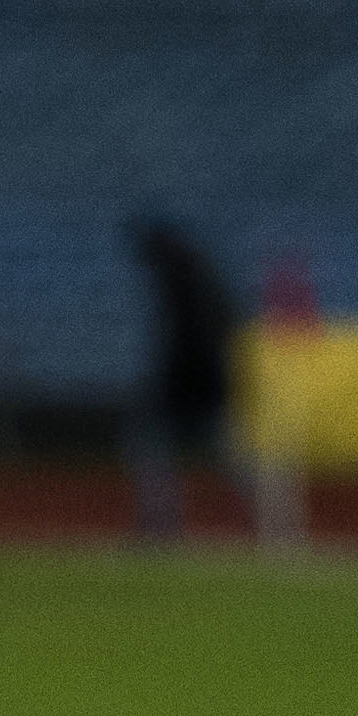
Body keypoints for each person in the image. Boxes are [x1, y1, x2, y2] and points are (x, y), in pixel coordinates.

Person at [121, 215, 230, 549]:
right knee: (223, 453)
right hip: (204, 383)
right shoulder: (199, 279)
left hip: (192, 384)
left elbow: (194, 341)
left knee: (153, 447)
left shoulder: (182, 284)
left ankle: (159, 528)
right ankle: (273, 530)